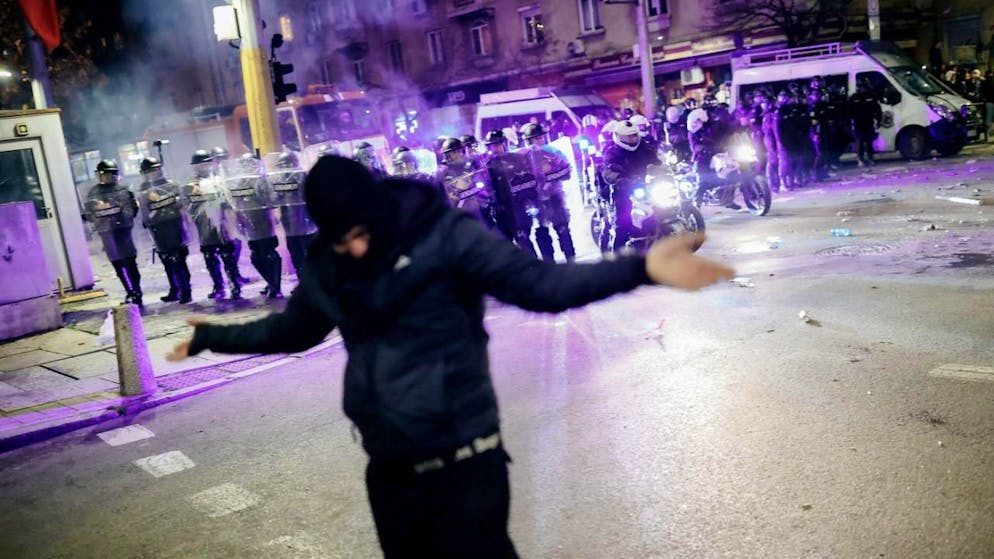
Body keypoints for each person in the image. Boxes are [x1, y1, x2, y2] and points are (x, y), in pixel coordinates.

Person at [167, 155, 735, 558]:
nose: (356, 248)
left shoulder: (443, 234)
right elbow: (292, 330)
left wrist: (641, 269)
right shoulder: (330, 264)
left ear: (377, 208)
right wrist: (214, 337)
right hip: (389, 474)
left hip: (466, 464)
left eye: (362, 233)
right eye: (342, 240)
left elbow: (540, 286)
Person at [183, 150, 242, 300]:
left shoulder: (220, 181)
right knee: (210, 257)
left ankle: (234, 284)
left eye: (207, 164)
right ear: (195, 167)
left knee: (227, 256)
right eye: (200, 165)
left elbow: (230, 202)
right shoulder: (190, 185)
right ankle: (219, 286)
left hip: (222, 225)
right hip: (204, 227)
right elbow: (188, 206)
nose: (204, 168)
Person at [84, 160, 143, 307]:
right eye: (103, 174)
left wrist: (117, 213)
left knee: (130, 262)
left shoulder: (123, 189)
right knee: (118, 264)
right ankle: (130, 291)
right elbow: (90, 213)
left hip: (123, 230)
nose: (105, 177)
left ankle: (136, 291)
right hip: (106, 232)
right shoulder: (94, 192)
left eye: (108, 174)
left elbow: (132, 210)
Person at [226, 153, 283, 298]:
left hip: (263, 220)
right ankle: (271, 283)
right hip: (248, 222)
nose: (248, 168)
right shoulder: (239, 182)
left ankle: (275, 287)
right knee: (256, 256)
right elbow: (235, 201)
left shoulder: (262, 180)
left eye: (250, 164)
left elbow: (272, 198)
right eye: (245, 165)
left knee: (269, 253)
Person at [138, 157, 192, 303]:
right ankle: (175, 289)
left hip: (173, 225)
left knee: (179, 258)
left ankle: (185, 290)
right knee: (166, 260)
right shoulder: (143, 189)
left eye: (155, 170)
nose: (153, 174)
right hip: (157, 228)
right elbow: (144, 211)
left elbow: (180, 203)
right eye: (149, 171)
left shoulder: (171, 185)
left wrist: (161, 198)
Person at [602, 119, 662, 250]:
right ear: (618, 137)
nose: (632, 139)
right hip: (624, 190)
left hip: (647, 186)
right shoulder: (612, 152)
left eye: (634, 135)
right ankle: (616, 257)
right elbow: (608, 171)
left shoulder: (644, 147)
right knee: (622, 223)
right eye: (627, 136)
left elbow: (657, 161)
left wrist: (665, 168)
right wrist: (620, 180)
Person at [520, 122, 576, 262]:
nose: (540, 141)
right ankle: (547, 261)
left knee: (562, 228)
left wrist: (548, 178)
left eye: (541, 137)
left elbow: (567, 171)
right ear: (528, 141)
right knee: (541, 230)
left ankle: (570, 258)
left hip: (554, 196)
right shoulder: (522, 157)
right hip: (535, 200)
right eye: (536, 138)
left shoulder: (553, 152)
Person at [485, 129, 539, 255]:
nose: (495, 148)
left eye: (497, 144)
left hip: (516, 206)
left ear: (504, 143)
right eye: (492, 145)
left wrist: (528, 199)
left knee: (523, 238)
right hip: (499, 209)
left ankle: (535, 268)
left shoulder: (516, 158)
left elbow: (527, 178)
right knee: (505, 243)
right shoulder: (488, 164)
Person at [268, 151, 317, 280]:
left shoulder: (303, 176)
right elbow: (273, 201)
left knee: (311, 254)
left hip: (306, 223)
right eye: (282, 166)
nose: (285, 169)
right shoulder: (279, 181)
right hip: (290, 225)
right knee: (296, 254)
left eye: (287, 165)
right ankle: (303, 282)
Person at [211, 146, 251, 286]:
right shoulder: (213, 175)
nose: (222, 161)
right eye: (219, 158)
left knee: (237, 242)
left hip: (235, 209)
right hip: (223, 212)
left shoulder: (232, 172)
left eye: (224, 157)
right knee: (229, 245)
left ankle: (235, 274)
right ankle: (232, 275)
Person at [849, 78, 882, 167]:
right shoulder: (854, 98)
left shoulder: (871, 96)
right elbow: (849, 112)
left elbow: (878, 110)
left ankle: (870, 158)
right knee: (859, 142)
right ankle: (860, 159)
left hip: (868, 123)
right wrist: (849, 124)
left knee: (869, 142)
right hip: (858, 124)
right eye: (861, 87)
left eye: (864, 86)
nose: (863, 89)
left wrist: (879, 120)